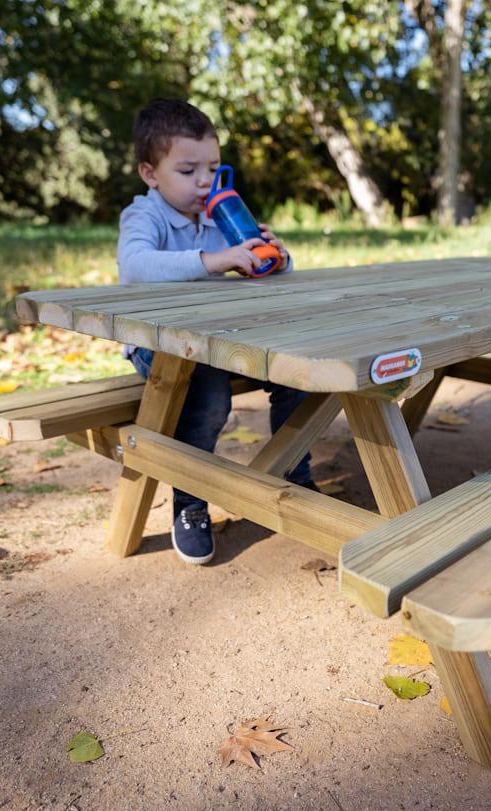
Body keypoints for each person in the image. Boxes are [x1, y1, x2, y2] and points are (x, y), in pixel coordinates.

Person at [117, 98, 313, 565]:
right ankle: (191, 499)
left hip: (222, 340)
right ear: (150, 174)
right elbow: (135, 265)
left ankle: (292, 474)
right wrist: (212, 261)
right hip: (159, 346)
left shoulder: (216, 217)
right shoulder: (143, 216)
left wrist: (274, 258)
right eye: (188, 171)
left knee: (302, 373)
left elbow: (258, 267)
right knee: (207, 399)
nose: (205, 181)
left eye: (213, 167)